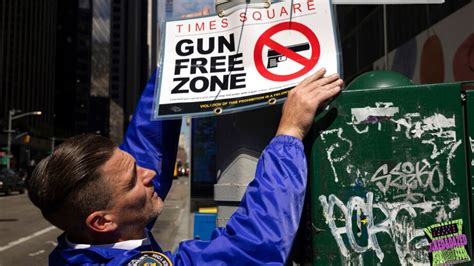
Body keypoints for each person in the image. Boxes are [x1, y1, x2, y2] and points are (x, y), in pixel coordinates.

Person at [27, 68, 343, 265]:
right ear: (102, 222)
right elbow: (252, 249)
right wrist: (289, 133)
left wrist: (176, 66)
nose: (149, 174)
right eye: (132, 181)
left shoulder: (90, 245)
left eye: (135, 166)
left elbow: (146, 148)